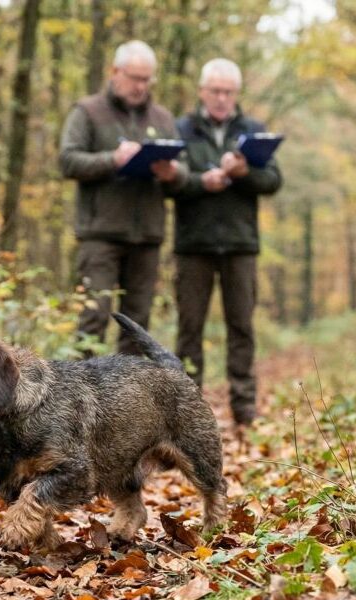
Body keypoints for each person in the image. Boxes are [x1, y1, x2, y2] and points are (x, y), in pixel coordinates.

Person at [171, 58, 282, 428]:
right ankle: (189, 413)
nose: (221, 98)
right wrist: (203, 181)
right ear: (202, 91)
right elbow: (166, 182)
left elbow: (272, 181)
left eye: (228, 92)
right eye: (215, 91)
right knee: (190, 330)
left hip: (240, 244)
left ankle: (245, 409)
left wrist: (244, 172)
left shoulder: (253, 130)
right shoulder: (181, 129)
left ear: (236, 94)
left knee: (242, 327)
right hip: (193, 245)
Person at [59, 40, 187, 355]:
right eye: (134, 77)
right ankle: (80, 398)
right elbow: (68, 161)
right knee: (94, 316)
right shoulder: (87, 111)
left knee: (137, 324)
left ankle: (128, 399)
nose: (140, 86)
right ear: (116, 72)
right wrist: (112, 160)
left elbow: (184, 174)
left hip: (147, 235)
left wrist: (172, 173)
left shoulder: (162, 118)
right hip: (100, 234)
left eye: (147, 79)